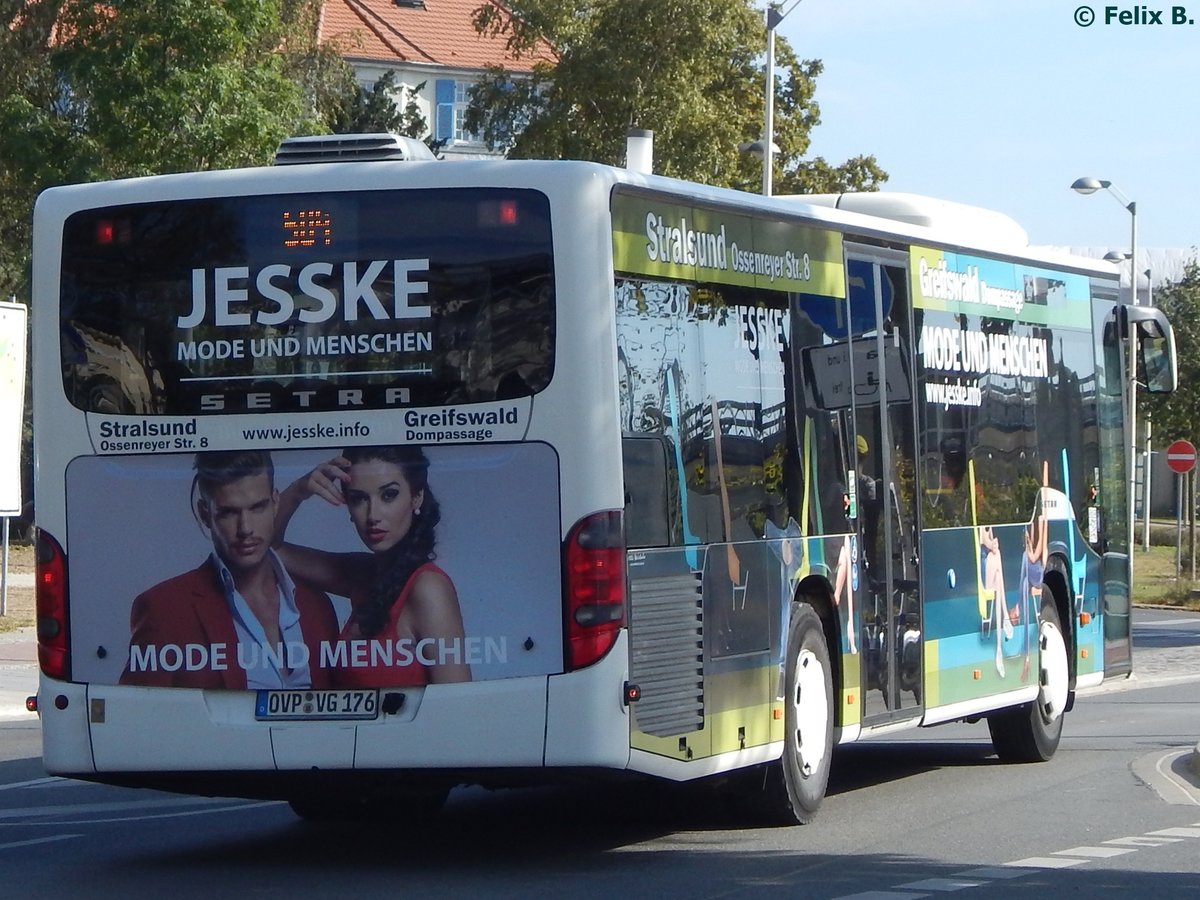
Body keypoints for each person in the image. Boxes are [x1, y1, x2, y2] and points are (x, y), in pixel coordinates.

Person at [121, 451, 339, 689]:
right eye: (229, 512)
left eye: (257, 508)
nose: (245, 528)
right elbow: (134, 715)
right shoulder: (164, 609)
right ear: (205, 514)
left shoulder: (317, 606)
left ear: (275, 504)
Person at [275, 445, 471, 686]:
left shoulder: (427, 587)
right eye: (359, 498)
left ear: (416, 497)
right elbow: (267, 549)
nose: (373, 515)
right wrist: (298, 490)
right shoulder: (365, 574)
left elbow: (456, 708)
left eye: (388, 495)